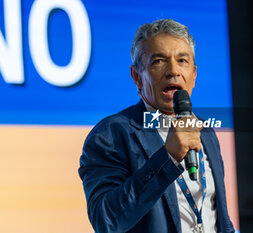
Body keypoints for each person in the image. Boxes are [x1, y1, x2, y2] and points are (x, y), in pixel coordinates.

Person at [78, 19, 235, 233]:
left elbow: (215, 215)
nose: (173, 71)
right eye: (159, 61)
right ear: (137, 77)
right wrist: (168, 157)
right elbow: (106, 221)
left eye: (182, 61)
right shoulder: (111, 135)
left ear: (194, 75)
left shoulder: (204, 131)